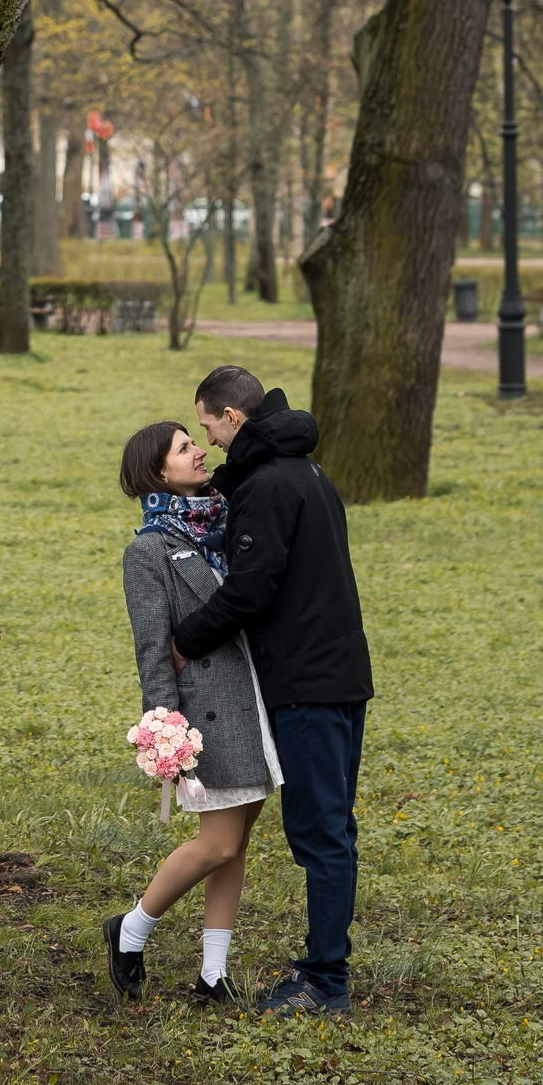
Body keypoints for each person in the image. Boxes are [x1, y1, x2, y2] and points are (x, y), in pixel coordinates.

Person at [171, 365, 372, 1018]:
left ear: (233, 417)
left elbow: (251, 589)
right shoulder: (305, 472)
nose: (207, 437)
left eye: (207, 423)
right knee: (333, 829)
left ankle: (324, 983)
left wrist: (187, 638)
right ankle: (323, 966)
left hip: (307, 681)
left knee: (321, 835)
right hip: (341, 672)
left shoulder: (267, 484)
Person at [104, 418, 284, 1008]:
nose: (199, 451)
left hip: (256, 697)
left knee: (238, 840)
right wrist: (164, 724)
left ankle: (213, 972)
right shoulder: (147, 551)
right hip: (208, 712)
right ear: (158, 471)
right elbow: (151, 645)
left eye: (194, 441)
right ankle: (131, 929)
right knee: (218, 843)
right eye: (184, 448)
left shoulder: (227, 522)